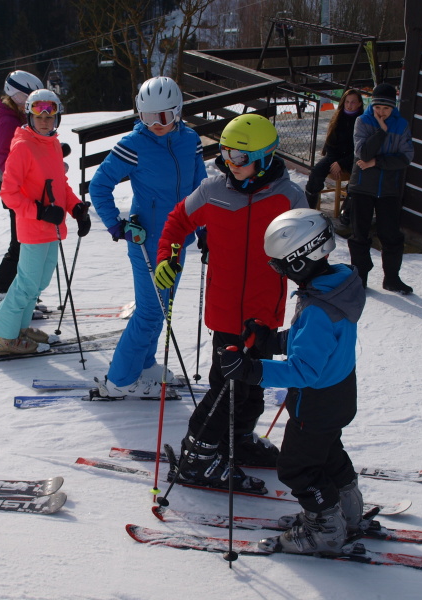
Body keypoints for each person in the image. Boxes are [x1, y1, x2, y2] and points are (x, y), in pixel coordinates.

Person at [154, 113, 307, 492]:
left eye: (239, 157)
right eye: (224, 153)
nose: (230, 163)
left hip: (264, 314)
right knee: (228, 390)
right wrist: (167, 256)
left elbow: (308, 245)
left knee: (253, 389)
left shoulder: (289, 198)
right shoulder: (212, 191)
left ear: (265, 157)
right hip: (225, 313)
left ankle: (235, 442)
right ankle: (197, 457)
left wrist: (314, 285)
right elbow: (177, 221)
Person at [217, 208, 366, 555]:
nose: (279, 272)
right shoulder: (335, 289)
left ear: (301, 260)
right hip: (339, 395)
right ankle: (347, 513)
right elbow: (317, 344)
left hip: (315, 403)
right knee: (327, 453)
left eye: (280, 265)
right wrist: (271, 340)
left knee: (297, 467)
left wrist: (251, 370)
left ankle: (325, 529)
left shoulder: (317, 309)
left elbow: (304, 370)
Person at [89, 76, 207, 397]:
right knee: (150, 311)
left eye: (163, 117)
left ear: (177, 111)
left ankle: (144, 364)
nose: (155, 124)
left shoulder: (190, 141)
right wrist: (116, 225)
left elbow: (201, 189)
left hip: (179, 240)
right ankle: (120, 380)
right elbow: (99, 185)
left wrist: (205, 229)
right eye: (147, 117)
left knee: (162, 308)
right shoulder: (134, 144)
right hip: (148, 242)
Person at [0, 89, 90, 355]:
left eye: (49, 115)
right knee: (25, 285)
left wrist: (75, 207)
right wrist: (40, 211)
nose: (44, 120)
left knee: (38, 284)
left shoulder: (53, 143)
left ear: (57, 117)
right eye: (38, 115)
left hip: (52, 228)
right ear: (29, 116)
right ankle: (2, 337)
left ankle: (19, 329)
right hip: (33, 227)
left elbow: (60, 185)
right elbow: (8, 193)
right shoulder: (23, 146)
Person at [0, 70, 45, 320]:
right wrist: (34, 171)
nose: (32, 103)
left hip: (25, 189)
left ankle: (20, 296)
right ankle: (0, 297)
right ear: (16, 95)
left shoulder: (18, 118)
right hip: (16, 192)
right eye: (28, 98)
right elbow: (7, 161)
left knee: (27, 246)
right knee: (19, 246)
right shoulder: (8, 121)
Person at [347, 82, 414, 294]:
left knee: (391, 235)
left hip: (389, 189)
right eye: (378, 107)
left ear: (393, 107)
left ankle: (392, 279)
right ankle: (360, 279)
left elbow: (405, 158)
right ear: (372, 105)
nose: (382, 112)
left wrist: (377, 162)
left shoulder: (401, 125)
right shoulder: (363, 121)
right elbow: (363, 153)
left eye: (386, 108)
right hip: (362, 187)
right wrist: (381, 132)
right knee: (360, 235)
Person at [304, 89, 363, 212]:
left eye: (353, 102)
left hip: (354, 159)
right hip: (334, 156)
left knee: (357, 181)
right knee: (316, 172)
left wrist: (341, 163)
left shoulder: (363, 121)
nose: (349, 105)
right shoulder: (337, 117)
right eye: (347, 102)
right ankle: (307, 208)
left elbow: (360, 150)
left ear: (359, 104)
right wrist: (334, 162)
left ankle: (345, 213)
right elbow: (330, 143)